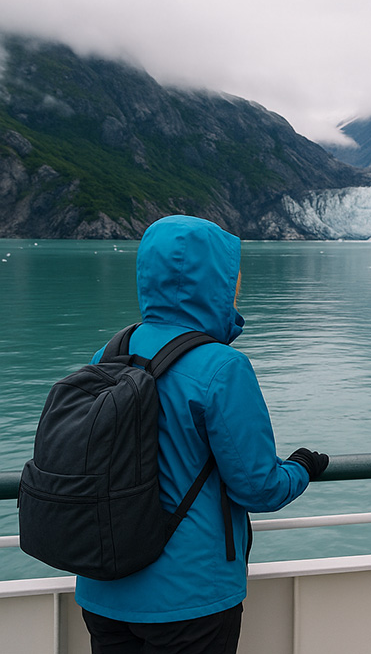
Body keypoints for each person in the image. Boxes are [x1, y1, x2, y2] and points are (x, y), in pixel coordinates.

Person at [75, 215, 329, 654]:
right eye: (232, 279)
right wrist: (302, 467)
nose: (236, 289)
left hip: (103, 583)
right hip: (189, 598)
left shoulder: (112, 350)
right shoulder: (222, 366)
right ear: (214, 282)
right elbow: (258, 488)